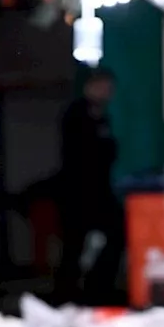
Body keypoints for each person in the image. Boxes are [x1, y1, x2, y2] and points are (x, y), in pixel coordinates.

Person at [56, 67, 122, 305]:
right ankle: (68, 296)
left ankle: (98, 291)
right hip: (78, 192)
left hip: (99, 190)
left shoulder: (101, 115)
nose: (108, 92)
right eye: (104, 86)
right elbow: (84, 154)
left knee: (114, 235)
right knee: (74, 245)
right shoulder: (76, 115)